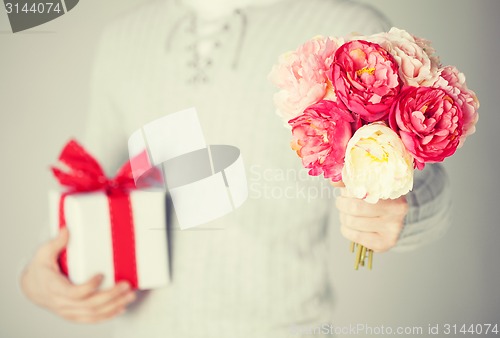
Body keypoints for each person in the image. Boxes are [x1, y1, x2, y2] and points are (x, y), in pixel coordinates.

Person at [20, 0, 452, 337]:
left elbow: (427, 184)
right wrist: (43, 272)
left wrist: (400, 209)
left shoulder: (348, 27)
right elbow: (89, 184)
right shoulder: (122, 38)